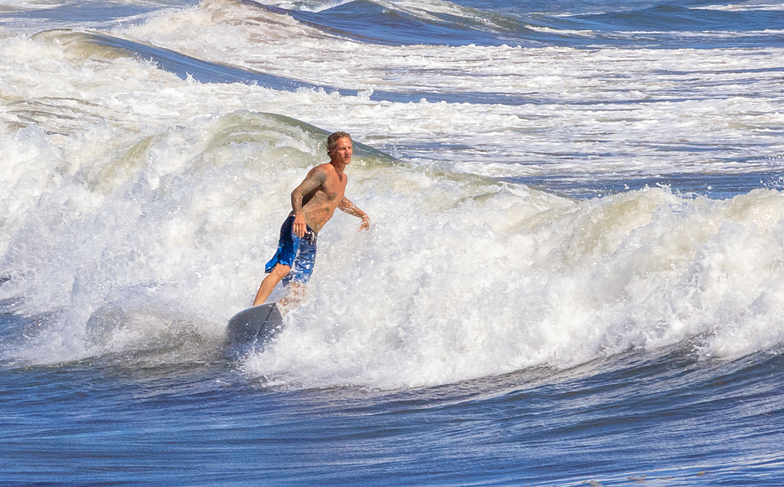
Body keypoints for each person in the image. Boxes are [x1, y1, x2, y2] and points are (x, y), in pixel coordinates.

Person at [252, 132, 370, 308]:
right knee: (283, 268)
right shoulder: (323, 171)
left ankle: (274, 314)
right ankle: (254, 308)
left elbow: (339, 200)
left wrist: (362, 215)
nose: (347, 152)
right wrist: (299, 215)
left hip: (312, 235)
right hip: (297, 225)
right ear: (332, 151)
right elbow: (297, 192)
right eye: (342, 148)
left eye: (349, 148)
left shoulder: (342, 179)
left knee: (299, 291)